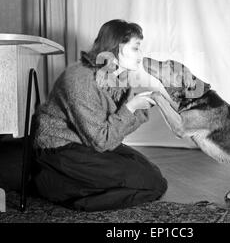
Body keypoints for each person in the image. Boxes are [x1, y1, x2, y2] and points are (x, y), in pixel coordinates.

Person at [31, 19, 168, 212]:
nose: (141, 55)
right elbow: (103, 141)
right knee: (152, 184)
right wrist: (130, 108)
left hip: (88, 142)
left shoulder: (117, 77)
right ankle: (63, 191)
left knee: (153, 175)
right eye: (136, 48)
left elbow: (113, 133)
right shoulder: (81, 80)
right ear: (115, 48)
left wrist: (138, 107)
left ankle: (81, 186)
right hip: (59, 149)